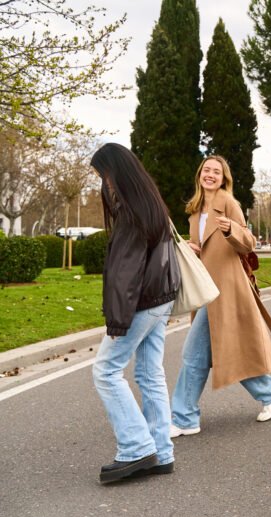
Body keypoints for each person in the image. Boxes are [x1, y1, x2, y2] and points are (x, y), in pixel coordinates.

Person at [170, 155, 271, 437]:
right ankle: (269, 393)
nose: (210, 175)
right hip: (206, 289)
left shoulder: (229, 204)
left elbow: (248, 243)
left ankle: (184, 417)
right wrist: (192, 248)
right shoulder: (196, 210)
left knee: (195, 354)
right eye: (206, 170)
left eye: (216, 172)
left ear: (224, 179)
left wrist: (232, 228)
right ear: (200, 174)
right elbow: (201, 247)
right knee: (221, 352)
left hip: (226, 289)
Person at [90, 143, 181, 483]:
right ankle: (161, 451)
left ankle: (136, 448)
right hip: (161, 299)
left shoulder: (130, 215)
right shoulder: (153, 207)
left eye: (103, 175)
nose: (104, 184)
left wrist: (116, 321)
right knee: (149, 373)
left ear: (116, 173)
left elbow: (124, 275)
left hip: (142, 303)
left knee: (106, 371)